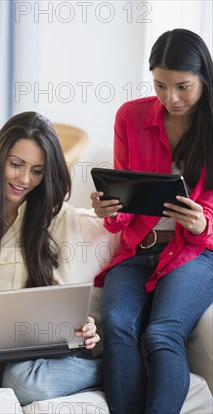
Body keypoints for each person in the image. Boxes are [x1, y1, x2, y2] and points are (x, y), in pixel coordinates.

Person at [90, 28, 213, 414]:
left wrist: (201, 224)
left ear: (204, 79)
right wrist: (110, 208)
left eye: (182, 86)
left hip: (195, 251)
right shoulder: (131, 116)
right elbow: (127, 195)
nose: (170, 98)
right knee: (116, 326)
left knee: (162, 333)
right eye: (160, 85)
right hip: (138, 250)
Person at [0, 112, 102, 405]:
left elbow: (66, 300)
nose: (25, 179)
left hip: (43, 354)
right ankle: (14, 381)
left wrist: (82, 326)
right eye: (16, 165)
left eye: (38, 171)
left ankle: (103, 370)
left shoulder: (59, 217)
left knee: (22, 379)